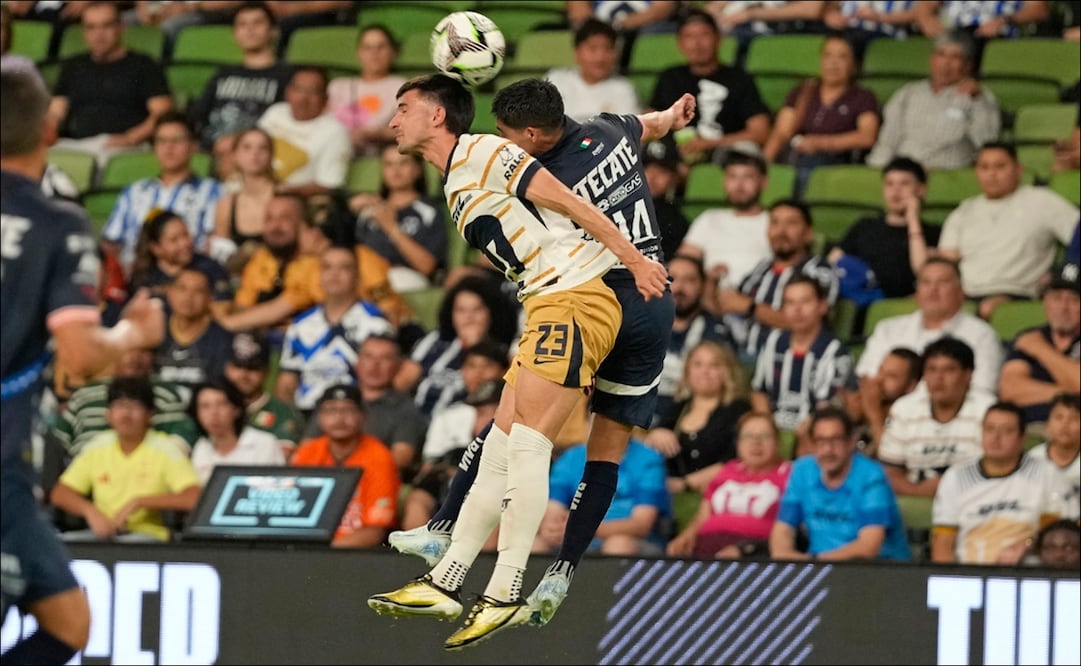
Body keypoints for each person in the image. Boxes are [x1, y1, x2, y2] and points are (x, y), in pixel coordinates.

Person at [367, 74, 671, 650]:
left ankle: (505, 592)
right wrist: (667, 120)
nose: (392, 121)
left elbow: (570, 201)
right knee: (501, 447)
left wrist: (634, 259)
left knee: (528, 445)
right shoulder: (457, 175)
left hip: (575, 297)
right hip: (549, 302)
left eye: (403, 108)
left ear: (436, 115)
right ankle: (445, 581)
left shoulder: (481, 150)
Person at [1, 55, 165, 665]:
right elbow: (80, 354)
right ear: (49, 128)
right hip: (1, 463)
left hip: (10, 478)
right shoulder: (56, 224)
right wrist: (132, 334)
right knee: (69, 628)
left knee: (69, 620)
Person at [49, 376, 202, 543]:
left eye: (134, 406)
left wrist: (141, 502)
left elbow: (194, 498)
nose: (126, 414)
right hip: (103, 534)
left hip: (148, 537)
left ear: (150, 415)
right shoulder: (97, 446)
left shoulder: (165, 449)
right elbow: (61, 493)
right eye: (119, 406)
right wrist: (91, 512)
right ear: (108, 415)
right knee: (63, 543)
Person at [937, 142, 1079, 319]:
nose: (992, 173)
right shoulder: (963, 211)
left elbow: (1077, 235)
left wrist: (1056, 274)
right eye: (984, 167)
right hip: (965, 293)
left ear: (1018, 169)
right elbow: (946, 259)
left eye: (1000, 166)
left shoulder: (1043, 201)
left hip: (1018, 292)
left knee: (987, 309)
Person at [931, 402, 1071, 565]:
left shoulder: (1046, 473)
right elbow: (942, 543)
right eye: (990, 429)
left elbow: (1065, 535)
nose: (996, 437)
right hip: (970, 573)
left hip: (1030, 573)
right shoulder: (956, 477)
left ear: (1022, 438)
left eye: (1006, 431)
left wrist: (1028, 544)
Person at [769, 406, 911, 561]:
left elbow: (868, 547)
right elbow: (783, 529)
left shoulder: (872, 476)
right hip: (818, 566)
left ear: (851, 442)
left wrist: (814, 562)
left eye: (836, 440)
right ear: (811, 444)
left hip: (877, 568)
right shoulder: (802, 471)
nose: (828, 450)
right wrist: (784, 556)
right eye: (820, 441)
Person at [48, 1, 173, 170]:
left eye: (106, 26)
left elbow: (162, 113)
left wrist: (130, 138)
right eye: (91, 27)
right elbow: (56, 112)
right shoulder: (72, 66)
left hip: (127, 147)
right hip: (77, 144)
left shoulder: (144, 65)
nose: (98, 34)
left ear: (121, 27)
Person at [705, 198, 838, 356]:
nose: (781, 231)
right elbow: (722, 309)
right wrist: (711, 285)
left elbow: (809, 323)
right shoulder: (761, 268)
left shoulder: (819, 271)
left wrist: (750, 307)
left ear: (808, 234)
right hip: (737, 354)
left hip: (783, 359)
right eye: (775, 223)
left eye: (791, 223)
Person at [275, 245, 394, 419]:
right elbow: (287, 383)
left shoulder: (376, 324)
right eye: (327, 267)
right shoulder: (300, 326)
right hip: (306, 415)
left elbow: (386, 381)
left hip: (355, 415)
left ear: (357, 277)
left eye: (344, 268)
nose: (334, 274)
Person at [855, 257, 1003, 395]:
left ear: (960, 291)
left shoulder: (981, 335)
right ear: (917, 291)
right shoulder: (888, 329)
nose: (933, 289)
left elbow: (983, 390)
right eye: (926, 282)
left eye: (943, 282)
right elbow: (867, 380)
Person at [101, 112, 223, 272]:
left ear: (193, 146)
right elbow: (110, 243)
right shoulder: (133, 192)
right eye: (162, 141)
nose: (168, 147)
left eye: (177, 140)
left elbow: (213, 246)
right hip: (135, 277)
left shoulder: (213, 192)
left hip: (188, 276)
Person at [761, 33, 880, 196]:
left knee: (808, 170)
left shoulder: (863, 97)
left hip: (835, 160)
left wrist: (821, 143)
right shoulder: (802, 92)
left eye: (842, 57)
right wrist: (762, 164)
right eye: (828, 55)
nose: (833, 63)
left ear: (854, 64)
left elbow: (867, 136)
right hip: (795, 156)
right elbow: (781, 133)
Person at [878, 336, 995, 499]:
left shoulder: (988, 410)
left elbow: (996, 471)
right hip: (915, 500)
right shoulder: (904, 409)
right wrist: (919, 492)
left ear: (968, 375)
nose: (938, 377)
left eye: (949, 370)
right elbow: (890, 472)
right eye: (931, 370)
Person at [648, 9, 770, 164]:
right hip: (673, 155)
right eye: (689, 37)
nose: (697, 44)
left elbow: (760, 132)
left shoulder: (739, 79)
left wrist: (709, 143)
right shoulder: (670, 77)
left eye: (704, 35)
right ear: (679, 44)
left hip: (724, 155)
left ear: (719, 39)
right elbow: (650, 121)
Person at [866, 31, 1000, 171]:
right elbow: (888, 139)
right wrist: (876, 168)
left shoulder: (978, 96)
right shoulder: (908, 93)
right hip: (907, 173)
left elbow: (987, 142)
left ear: (968, 65)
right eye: (941, 55)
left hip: (951, 174)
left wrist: (978, 100)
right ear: (932, 59)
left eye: (955, 57)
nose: (946, 63)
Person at [667, 412, 792, 559]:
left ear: (777, 443)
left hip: (756, 551)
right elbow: (702, 516)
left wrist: (746, 549)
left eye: (765, 436)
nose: (756, 442)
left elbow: (791, 528)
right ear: (738, 443)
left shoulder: (790, 474)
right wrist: (685, 537)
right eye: (748, 436)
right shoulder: (728, 470)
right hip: (707, 547)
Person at [290, 384, 401, 549]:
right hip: (309, 548)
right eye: (331, 410)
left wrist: (322, 552)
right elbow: (292, 517)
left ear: (363, 416)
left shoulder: (380, 457)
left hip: (355, 553)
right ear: (319, 417)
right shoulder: (307, 453)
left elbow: (375, 532)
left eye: (348, 410)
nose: (339, 418)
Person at [395, 274, 517, 417]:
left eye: (477, 310)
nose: (468, 318)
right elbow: (402, 383)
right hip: (419, 419)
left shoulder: (503, 350)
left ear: (492, 313)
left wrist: (475, 348)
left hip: (469, 422)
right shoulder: (434, 342)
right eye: (461, 310)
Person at [751, 275, 854, 433]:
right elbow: (759, 392)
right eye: (790, 302)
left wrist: (800, 438)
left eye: (805, 301)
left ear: (822, 306)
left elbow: (827, 408)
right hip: (772, 431)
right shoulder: (773, 341)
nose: (797, 309)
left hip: (813, 434)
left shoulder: (835, 351)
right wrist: (767, 431)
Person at [535, 437, 670, 557]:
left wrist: (584, 529)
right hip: (573, 535)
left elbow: (641, 525)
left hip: (631, 540)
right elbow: (553, 511)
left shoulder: (648, 459)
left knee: (617, 544)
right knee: (536, 545)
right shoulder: (571, 458)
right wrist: (552, 529)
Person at [52, 348, 197, 460]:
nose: (134, 358)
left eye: (143, 351)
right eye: (127, 349)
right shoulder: (86, 393)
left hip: (145, 475)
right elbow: (57, 439)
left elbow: (184, 433)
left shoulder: (164, 391)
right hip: (82, 474)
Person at [647, 340, 752, 494]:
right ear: (687, 371)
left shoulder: (740, 410)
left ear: (726, 372)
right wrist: (655, 435)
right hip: (673, 496)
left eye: (714, 365)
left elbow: (738, 459)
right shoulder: (678, 408)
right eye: (698, 364)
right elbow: (648, 449)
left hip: (722, 493)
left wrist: (686, 483)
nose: (705, 371)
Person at [188, 1, 293, 154]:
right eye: (242, 24)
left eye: (257, 23)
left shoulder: (287, 76)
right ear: (234, 34)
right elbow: (199, 114)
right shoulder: (223, 73)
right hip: (212, 151)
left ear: (274, 31)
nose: (249, 30)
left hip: (258, 153)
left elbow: (284, 125)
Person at [829, 156, 939, 299]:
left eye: (904, 184)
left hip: (903, 304)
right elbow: (832, 263)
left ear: (921, 190)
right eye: (889, 184)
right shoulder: (864, 226)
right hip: (859, 299)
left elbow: (923, 272)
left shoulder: (932, 232)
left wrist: (913, 220)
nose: (895, 191)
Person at [349, 144, 448, 292]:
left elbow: (427, 267)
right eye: (389, 164)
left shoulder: (428, 211)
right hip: (364, 276)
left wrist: (391, 228)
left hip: (404, 277)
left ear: (418, 169)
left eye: (404, 163)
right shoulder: (367, 210)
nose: (396, 170)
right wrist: (348, 209)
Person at [677, 142, 771, 290]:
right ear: (724, 181)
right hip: (709, 297)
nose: (739, 185)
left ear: (764, 182)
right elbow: (683, 264)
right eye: (732, 176)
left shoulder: (774, 222)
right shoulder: (709, 219)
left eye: (748, 176)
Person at [655, 254, 736, 425]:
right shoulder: (640, 325)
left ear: (702, 285)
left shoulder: (716, 332)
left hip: (687, 421)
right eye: (672, 279)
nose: (679, 287)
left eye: (689, 280)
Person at [999, 262, 1081, 427]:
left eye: (1074, 300)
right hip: (1028, 428)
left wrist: (1040, 349)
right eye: (1057, 298)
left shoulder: (1033, 343)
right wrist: (1070, 392)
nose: (1063, 307)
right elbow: (1009, 390)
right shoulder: (1027, 337)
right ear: (1046, 302)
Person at [257, 66, 351, 197]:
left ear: (325, 99)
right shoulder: (276, 112)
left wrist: (284, 190)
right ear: (288, 92)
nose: (303, 98)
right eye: (298, 89)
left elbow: (330, 185)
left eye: (313, 91)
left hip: (290, 198)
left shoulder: (335, 132)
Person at [128, 208, 233, 318]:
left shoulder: (210, 268)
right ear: (156, 248)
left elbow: (224, 308)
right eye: (174, 240)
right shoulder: (143, 278)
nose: (184, 243)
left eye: (186, 235)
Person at [354, 333, 430, 481]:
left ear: (398, 366)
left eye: (385, 359)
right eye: (369, 357)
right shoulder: (337, 401)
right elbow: (309, 446)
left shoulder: (406, 410)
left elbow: (400, 459)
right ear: (357, 363)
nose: (375, 366)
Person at [155, 266, 233, 402]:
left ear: (210, 298)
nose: (188, 297)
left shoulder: (222, 339)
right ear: (169, 293)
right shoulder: (154, 331)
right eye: (182, 289)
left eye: (198, 291)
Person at [326, 24, 404, 157]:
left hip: (376, 154)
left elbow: (410, 129)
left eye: (381, 47)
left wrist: (377, 134)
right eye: (367, 48)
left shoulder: (401, 86)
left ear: (392, 52)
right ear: (359, 53)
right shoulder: (337, 86)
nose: (374, 53)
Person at [189, 378, 284, 485]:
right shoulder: (201, 447)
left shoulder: (264, 443)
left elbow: (278, 486)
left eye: (221, 404)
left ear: (236, 409)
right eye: (205, 406)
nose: (214, 413)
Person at [209, 127, 277, 274]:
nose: (255, 153)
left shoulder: (284, 197)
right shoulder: (226, 204)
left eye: (262, 148)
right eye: (247, 147)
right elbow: (222, 258)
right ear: (235, 155)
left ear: (271, 155)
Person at [222, 332, 303, 458]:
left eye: (252, 368)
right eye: (238, 366)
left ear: (266, 372)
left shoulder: (283, 413)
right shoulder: (212, 410)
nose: (243, 375)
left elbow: (280, 459)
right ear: (227, 368)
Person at [546, 18, 640, 123]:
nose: (600, 58)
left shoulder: (623, 89)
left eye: (608, 49)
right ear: (576, 52)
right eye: (592, 49)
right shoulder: (556, 81)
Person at [857, 346, 922, 455]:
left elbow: (888, 455)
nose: (879, 380)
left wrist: (873, 413)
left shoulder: (912, 420)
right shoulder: (863, 400)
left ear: (911, 386)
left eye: (891, 376)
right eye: (880, 370)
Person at [1026, 393, 1080, 519]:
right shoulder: (1033, 458)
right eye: (1059, 417)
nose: (1065, 425)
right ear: (1047, 424)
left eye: (1074, 418)